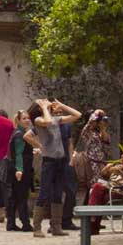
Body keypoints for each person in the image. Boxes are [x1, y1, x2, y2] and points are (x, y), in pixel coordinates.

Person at [27, 98, 81, 237]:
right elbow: (48, 122)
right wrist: (45, 107)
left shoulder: (57, 120)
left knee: (58, 193)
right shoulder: (39, 120)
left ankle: (56, 226)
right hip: (49, 161)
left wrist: (62, 105)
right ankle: (37, 227)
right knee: (44, 192)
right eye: (43, 102)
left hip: (60, 160)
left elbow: (77, 115)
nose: (47, 102)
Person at [85, 145, 123, 234]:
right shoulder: (118, 166)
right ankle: (93, 226)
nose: (121, 156)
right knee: (98, 192)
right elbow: (104, 177)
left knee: (97, 189)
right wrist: (105, 170)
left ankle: (92, 219)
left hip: (122, 192)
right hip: (109, 190)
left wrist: (120, 174)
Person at [5, 109, 35, 232]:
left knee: (15, 197)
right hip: (21, 170)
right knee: (22, 196)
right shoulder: (20, 135)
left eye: (28, 118)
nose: (27, 120)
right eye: (24, 118)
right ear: (18, 120)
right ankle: (25, 223)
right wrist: (19, 170)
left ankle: (11, 222)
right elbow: (18, 154)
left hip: (19, 168)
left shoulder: (19, 133)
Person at [76, 109, 110, 189]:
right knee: (93, 185)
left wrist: (102, 128)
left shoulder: (99, 132)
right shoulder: (87, 131)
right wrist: (96, 114)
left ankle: (95, 201)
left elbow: (106, 140)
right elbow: (89, 124)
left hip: (101, 163)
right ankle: (91, 201)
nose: (96, 122)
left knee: (101, 185)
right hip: (91, 163)